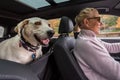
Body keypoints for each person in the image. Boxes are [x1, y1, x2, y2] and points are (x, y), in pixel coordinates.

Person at [73, 7, 120, 80]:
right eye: (98, 19)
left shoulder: (90, 38)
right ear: (86, 22)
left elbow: (110, 47)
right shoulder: (87, 44)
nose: (101, 23)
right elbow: (117, 73)